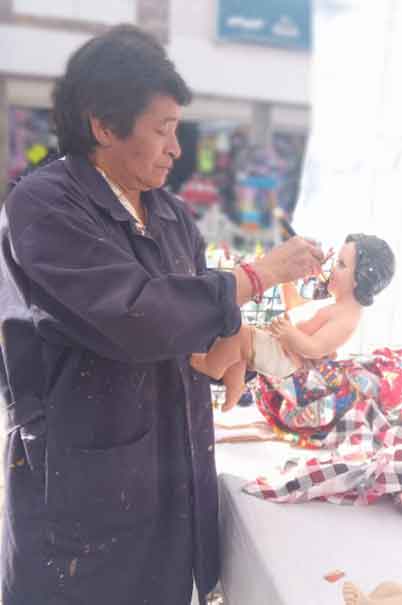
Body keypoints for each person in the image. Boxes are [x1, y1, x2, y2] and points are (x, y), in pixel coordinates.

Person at [0, 25, 324, 605]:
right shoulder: (44, 205)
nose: (178, 147)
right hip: (82, 499)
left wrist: (243, 342)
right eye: (163, 129)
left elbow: (193, 334)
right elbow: (138, 318)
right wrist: (259, 276)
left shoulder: (171, 216)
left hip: (169, 476)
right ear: (102, 125)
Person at [191, 234, 395, 411]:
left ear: (360, 278)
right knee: (241, 345)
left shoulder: (346, 318)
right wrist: (287, 278)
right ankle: (234, 384)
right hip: (282, 350)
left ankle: (211, 365)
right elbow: (294, 305)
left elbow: (315, 349)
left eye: (341, 264)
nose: (332, 269)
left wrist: (289, 333)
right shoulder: (337, 306)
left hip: (285, 358)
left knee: (237, 334)